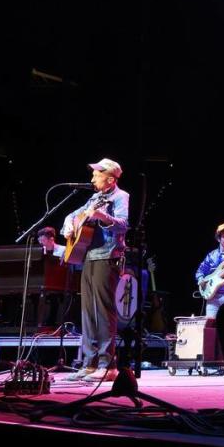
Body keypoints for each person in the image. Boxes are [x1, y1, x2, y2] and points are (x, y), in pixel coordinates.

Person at [60, 158, 129, 382]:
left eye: (96, 175)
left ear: (110, 179)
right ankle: (89, 363)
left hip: (108, 257)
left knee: (103, 311)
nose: (92, 178)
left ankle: (107, 365)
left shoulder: (121, 196)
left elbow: (123, 224)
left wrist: (101, 216)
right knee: (87, 311)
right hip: (88, 256)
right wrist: (69, 223)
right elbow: (74, 214)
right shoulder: (94, 198)